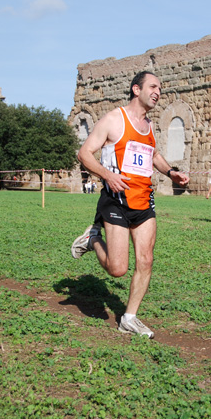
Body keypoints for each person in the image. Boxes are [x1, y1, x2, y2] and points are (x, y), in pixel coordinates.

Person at [71, 71, 189, 338]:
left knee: (146, 260)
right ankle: (92, 240)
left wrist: (171, 173)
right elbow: (84, 153)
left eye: (160, 87)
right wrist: (107, 175)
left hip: (144, 201)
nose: (158, 91)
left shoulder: (148, 126)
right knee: (117, 269)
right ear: (136, 89)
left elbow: (154, 154)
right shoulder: (115, 119)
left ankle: (130, 318)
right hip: (116, 201)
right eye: (153, 86)